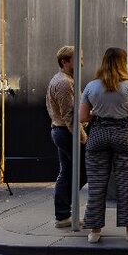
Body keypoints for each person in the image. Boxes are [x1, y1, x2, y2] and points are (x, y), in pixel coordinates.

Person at [79, 47, 128, 243]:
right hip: (124, 134)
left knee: (97, 184)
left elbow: (82, 117)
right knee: (126, 184)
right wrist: (124, 110)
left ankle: (94, 232)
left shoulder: (91, 86)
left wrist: (99, 114)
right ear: (123, 62)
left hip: (98, 134)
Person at [46, 46, 88, 228]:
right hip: (67, 132)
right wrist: (82, 137)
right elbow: (70, 116)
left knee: (67, 173)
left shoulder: (62, 79)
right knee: (81, 172)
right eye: (77, 59)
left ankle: (63, 215)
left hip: (61, 131)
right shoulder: (64, 83)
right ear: (64, 61)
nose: (81, 63)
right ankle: (64, 212)